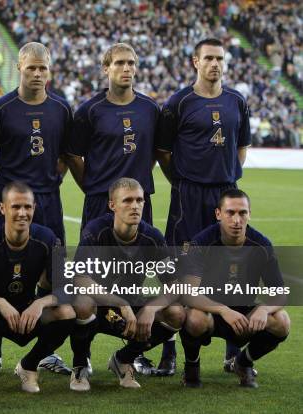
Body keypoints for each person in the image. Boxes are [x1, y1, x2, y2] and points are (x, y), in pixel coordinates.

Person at [64, 43, 176, 375]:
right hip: (100, 200)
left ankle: (133, 352)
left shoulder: (150, 109)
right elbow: (73, 155)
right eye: (119, 63)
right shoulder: (89, 110)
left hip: (139, 201)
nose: (126, 69)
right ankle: (81, 356)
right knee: (90, 279)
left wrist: (135, 185)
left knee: (136, 277)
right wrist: (96, 186)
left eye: (131, 63)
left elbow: (156, 150)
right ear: (106, 68)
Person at [0, 42, 72, 375]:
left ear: (50, 69)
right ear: (18, 67)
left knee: (52, 270)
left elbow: (65, 157)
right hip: (9, 201)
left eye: (43, 68)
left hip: (48, 199)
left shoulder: (62, 109)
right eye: (31, 67)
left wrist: (51, 181)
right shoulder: (0, 109)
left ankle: (45, 352)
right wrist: (1, 193)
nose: (37, 74)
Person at [156, 38, 252, 371]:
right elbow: (164, 153)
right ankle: (170, 350)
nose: (215, 64)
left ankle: (232, 350)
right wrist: (183, 182)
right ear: (195, 62)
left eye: (220, 58)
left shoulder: (237, 101)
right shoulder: (179, 102)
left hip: (225, 193)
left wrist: (229, 177)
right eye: (208, 58)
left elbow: (242, 147)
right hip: (188, 196)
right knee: (178, 271)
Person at [0, 181, 75, 393]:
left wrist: (41, 303)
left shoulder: (48, 239)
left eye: (27, 207)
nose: (22, 213)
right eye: (15, 207)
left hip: (27, 311)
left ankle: (29, 366)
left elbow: (66, 287)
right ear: (2, 208)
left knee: (66, 312)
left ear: (34, 208)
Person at [68, 177, 185, 391]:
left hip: (134, 308)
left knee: (176, 313)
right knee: (82, 302)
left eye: (140, 200)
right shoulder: (96, 232)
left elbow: (175, 285)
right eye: (128, 200)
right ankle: (80, 365)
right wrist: (120, 302)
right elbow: (80, 279)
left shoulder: (152, 238)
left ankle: (123, 360)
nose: (135, 206)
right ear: (112, 205)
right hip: (100, 306)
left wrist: (150, 308)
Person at [178, 189, 290, 388]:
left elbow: (280, 293)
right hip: (211, 312)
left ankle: (243, 363)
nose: (237, 220)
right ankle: (192, 367)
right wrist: (223, 310)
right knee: (194, 318)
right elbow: (189, 294)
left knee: (282, 321)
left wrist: (263, 309)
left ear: (249, 214)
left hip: (245, 313)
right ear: (218, 214)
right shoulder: (201, 243)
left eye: (242, 213)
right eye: (230, 213)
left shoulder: (261, 245)